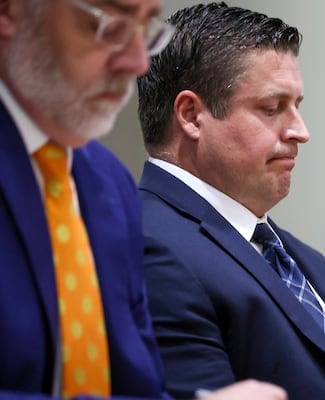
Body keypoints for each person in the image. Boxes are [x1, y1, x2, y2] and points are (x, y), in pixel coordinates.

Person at [0, 0, 286, 399]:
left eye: (146, 30)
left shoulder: (108, 183)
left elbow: (139, 387)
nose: (137, 62)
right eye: (110, 26)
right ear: (10, 12)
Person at [137, 3, 325, 400]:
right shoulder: (152, 247)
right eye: (271, 108)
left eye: (297, 106)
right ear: (192, 116)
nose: (301, 132)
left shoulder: (299, 257)